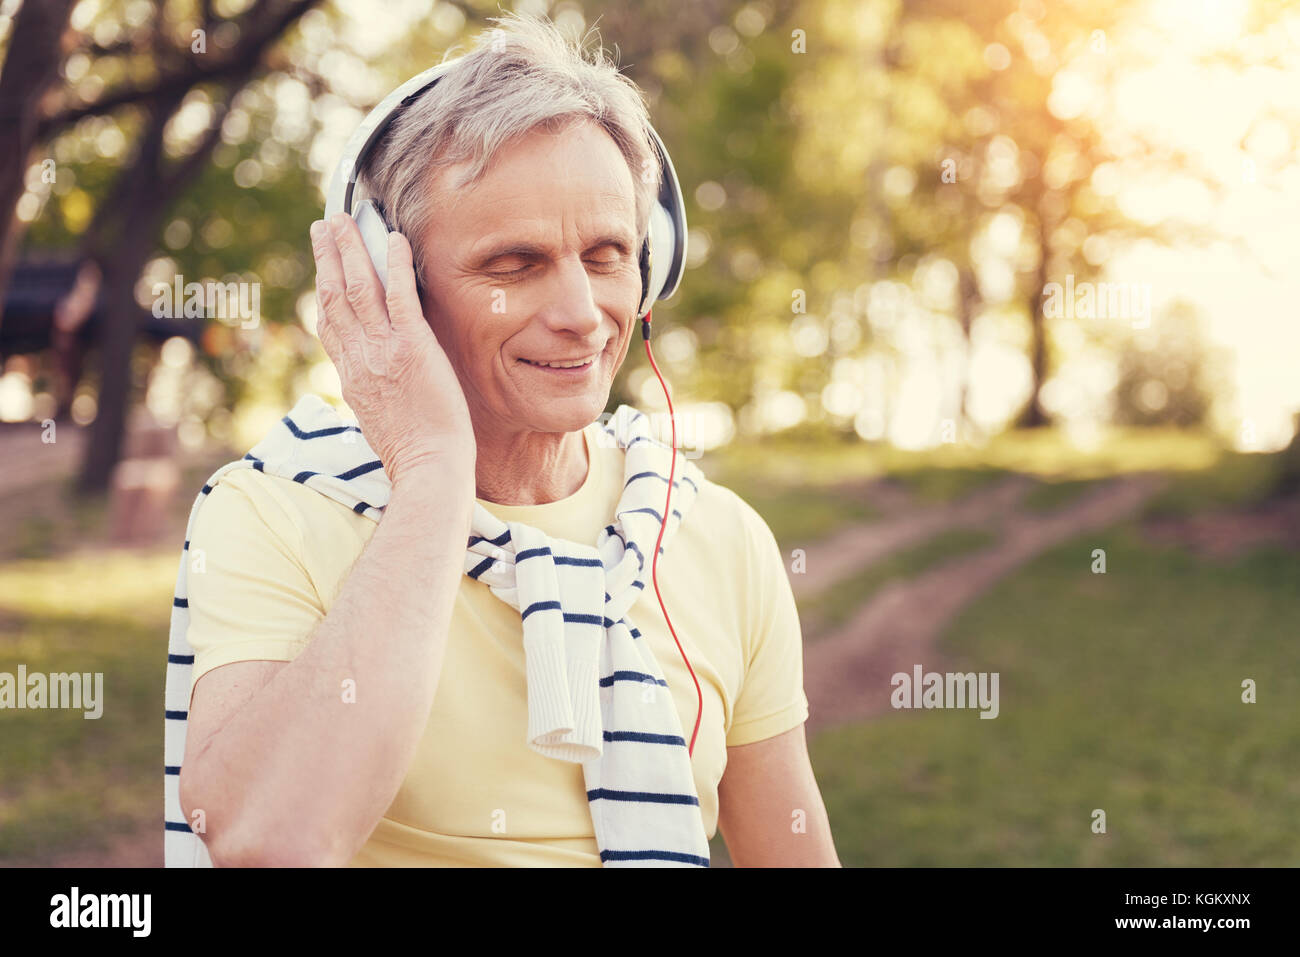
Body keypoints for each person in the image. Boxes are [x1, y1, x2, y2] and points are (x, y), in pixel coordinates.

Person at [175, 12, 839, 867]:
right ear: (390, 285)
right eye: (513, 265)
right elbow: (268, 836)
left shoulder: (721, 536)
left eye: (606, 255)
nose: (579, 314)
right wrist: (432, 473)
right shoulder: (271, 513)